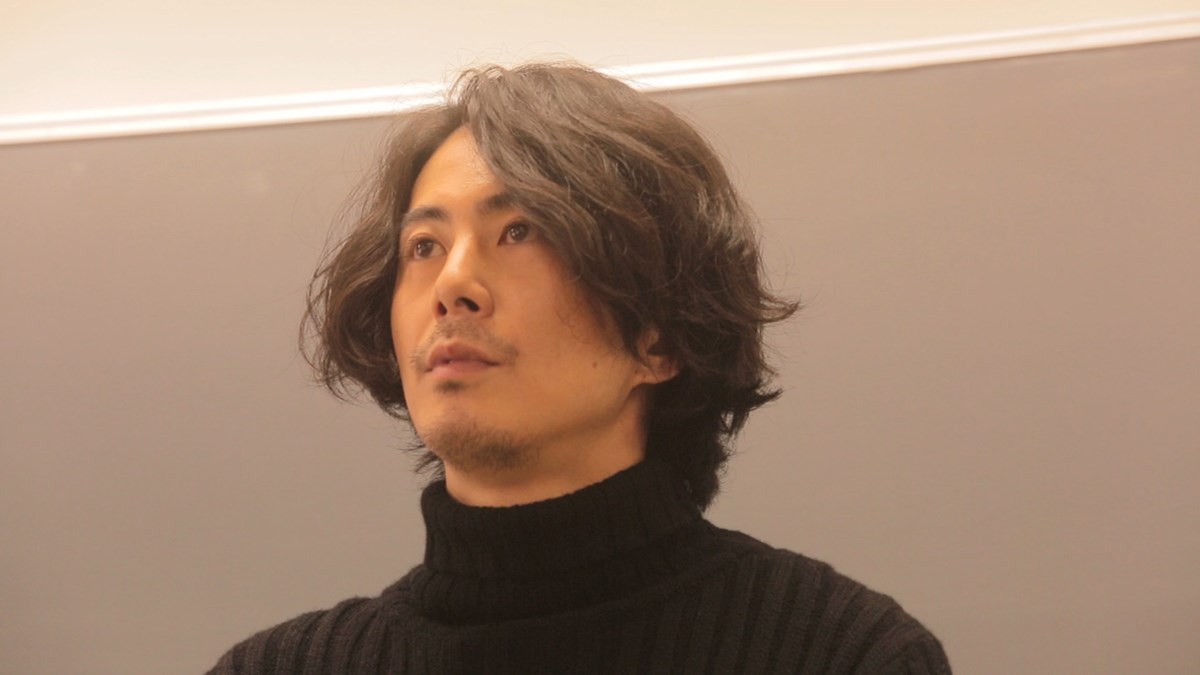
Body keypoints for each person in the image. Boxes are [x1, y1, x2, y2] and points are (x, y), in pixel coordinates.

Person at [208, 62, 950, 674]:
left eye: (519, 231)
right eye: (424, 246)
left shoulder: (843, 654)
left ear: (658, 337)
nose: (452, 283)